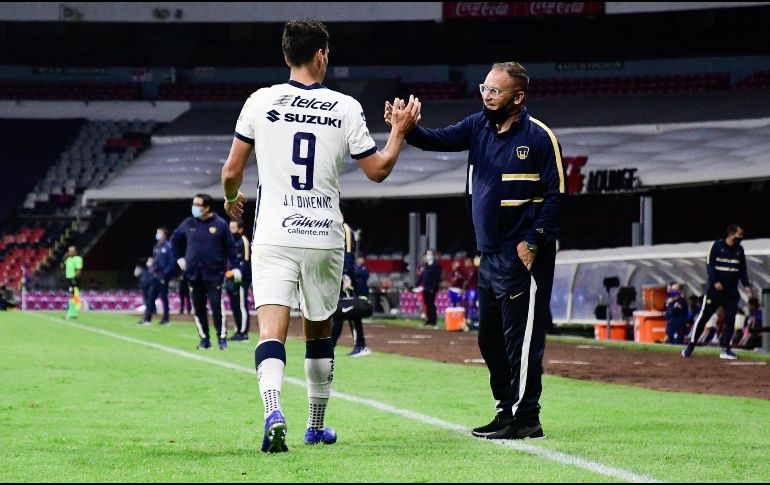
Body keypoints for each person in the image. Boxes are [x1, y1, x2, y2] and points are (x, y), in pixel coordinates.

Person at [220, 18, 420, 453]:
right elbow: (378, 170)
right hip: (324, 234)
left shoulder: (260, 101)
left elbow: (232, 171)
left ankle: (273, 409)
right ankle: (315, 425)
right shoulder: (345, 106)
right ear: (321, 54)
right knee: (318, 333)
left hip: (273, 233)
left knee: (271, 332)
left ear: (286, 55)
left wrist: (229, 199)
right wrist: (400, 131)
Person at [387, 61, 565, 440]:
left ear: (517, 97)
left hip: (523, 255)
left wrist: (533, 241)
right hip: (489, 254)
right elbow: (435, 140)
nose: (486, 95)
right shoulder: (477, 126)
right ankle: (505, 411)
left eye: (495, 91)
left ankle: (526, 418)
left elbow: (555, 196)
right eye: (484, 87)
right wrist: (406, 128)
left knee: (522, 341)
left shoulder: (539, 137)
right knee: (490, 340)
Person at [170, 193, 238, 351]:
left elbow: (231, 247)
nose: (194, 207)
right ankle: (204, 339)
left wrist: (234, 266)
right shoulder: (188, 223)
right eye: (193, 204)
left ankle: (222, 338)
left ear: (207, 207)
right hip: (193, 273)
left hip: (214, 273)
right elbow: (175, 239)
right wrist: (179, 258)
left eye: (198, 204)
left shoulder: (220, 224)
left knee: (216, 306)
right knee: (198, 307)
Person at [683, 224, 753, 360]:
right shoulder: (716, 246)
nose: (741, 238)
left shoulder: (740, 250)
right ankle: (690, 346)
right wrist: (715, 282)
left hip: (731, 293)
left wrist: (747, 286)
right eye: (740, 234)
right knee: (704, 317)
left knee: (730, 319)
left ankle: (726, 349)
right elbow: (709, 265)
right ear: (731, 234)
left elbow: (742, 270)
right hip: (714, 292)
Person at [332, 222, 370, 356]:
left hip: (344, 277)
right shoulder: (333, 226)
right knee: (339, 312)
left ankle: (360, 344)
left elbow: (348, 253)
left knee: (349, 312)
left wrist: (346, 274)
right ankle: (332, 345)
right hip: (336, 275)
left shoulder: (344, 228)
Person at [140, 227, 174, 325]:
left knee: (164, 297)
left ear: (165, 235)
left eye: (159, 233)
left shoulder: (168, 246)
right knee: (151, 296)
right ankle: (147, 318)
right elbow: (154, 259)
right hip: (155, 275)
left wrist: (165, 274)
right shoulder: (157, 246)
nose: (157, 234)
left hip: (163, 276)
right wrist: (151, 266)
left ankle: (166, 318)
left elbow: (171, 262)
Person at [225, 220, 252, 341]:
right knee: (234, 305)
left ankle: (244, 333)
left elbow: (246, 261)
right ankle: (237, 331)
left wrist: (239, 273)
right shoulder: (231, 242)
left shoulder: (244, 241)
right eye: (229, 227)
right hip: (231, 278)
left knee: (241, 305)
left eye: (233, 228)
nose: (231, 230)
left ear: (240, 229)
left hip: (242, 279)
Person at [421, 249, 441, 327]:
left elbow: (437, 278)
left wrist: (433, 287)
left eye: (430, 254)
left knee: (431, 304)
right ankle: (428, 320)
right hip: (425, 288)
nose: (428, 256)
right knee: (427, 304)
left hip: (432, 288)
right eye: (427, 254)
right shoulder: (426, 266)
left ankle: (433, 320)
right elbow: (422, 277)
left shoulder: (436, 266)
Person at [63, 246, 83, 320]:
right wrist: (65, 255)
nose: (70, 253)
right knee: (73, 296)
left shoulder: (78, 259)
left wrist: (74, 278)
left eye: (71, 251)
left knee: (72, 295)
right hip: (68, 279)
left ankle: (70, 313)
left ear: (75, 252)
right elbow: (62, 264)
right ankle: (73, 313)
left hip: (73, 279)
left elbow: (78, 270)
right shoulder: (68, 259)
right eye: (69, 251)